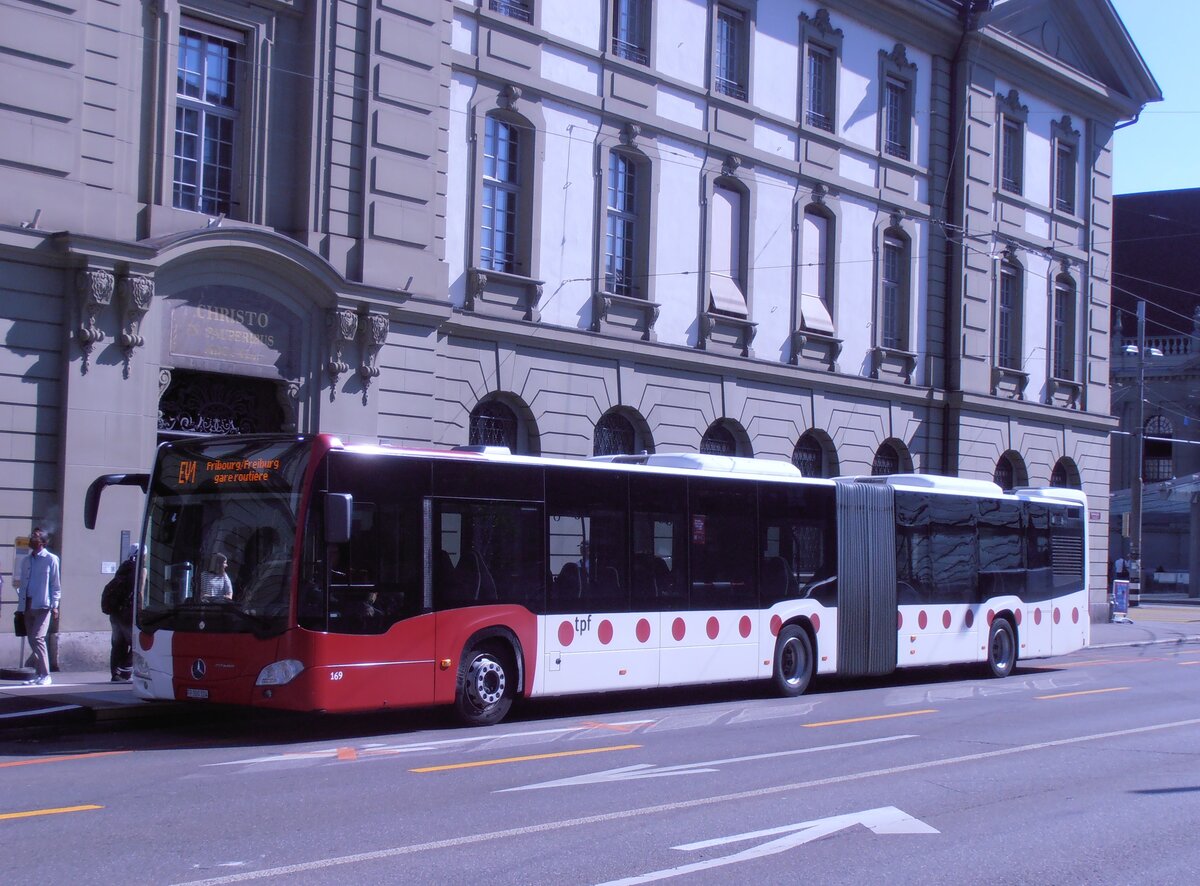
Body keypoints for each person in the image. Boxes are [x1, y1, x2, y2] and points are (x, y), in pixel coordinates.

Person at [17, 528, 60, 686]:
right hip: (27, 604)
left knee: (38, 638)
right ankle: (39, 673)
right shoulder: (27, 560)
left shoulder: (51, 559)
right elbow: (23, 582)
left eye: (34, 537)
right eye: (31, 536)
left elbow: (55, 585)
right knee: (32, 639)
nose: (31, 539)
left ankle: (46, 674)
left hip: (43, 605)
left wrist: (55, 606)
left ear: (42, 541)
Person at [105, 544, 139, 681]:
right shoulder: (138, 569)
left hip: (115, 612)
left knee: (118, 643)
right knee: (137, 644)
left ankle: (115, 673)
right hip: (128, 612)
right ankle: (124, 671)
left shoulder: (123, 568)